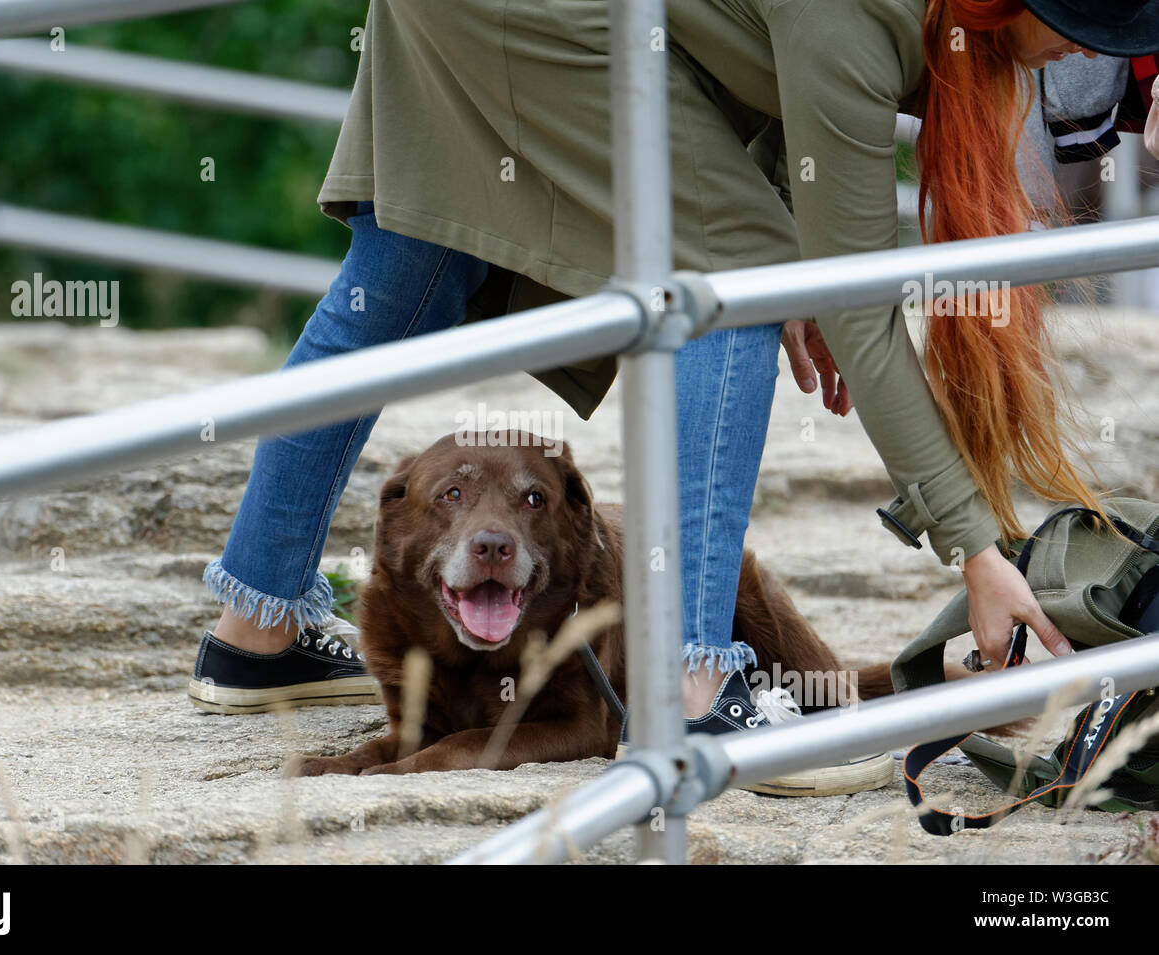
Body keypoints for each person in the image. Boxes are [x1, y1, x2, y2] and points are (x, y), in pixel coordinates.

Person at [189, 0, 1159, 787]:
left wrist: (805, 256)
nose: (1080, 52)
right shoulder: (865, 13)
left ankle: (256, 623)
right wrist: (975, 551)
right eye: (1077, 25)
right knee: (733, 277)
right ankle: (691, 683)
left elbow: (742, 68)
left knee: (407, 274)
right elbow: (856, 301)